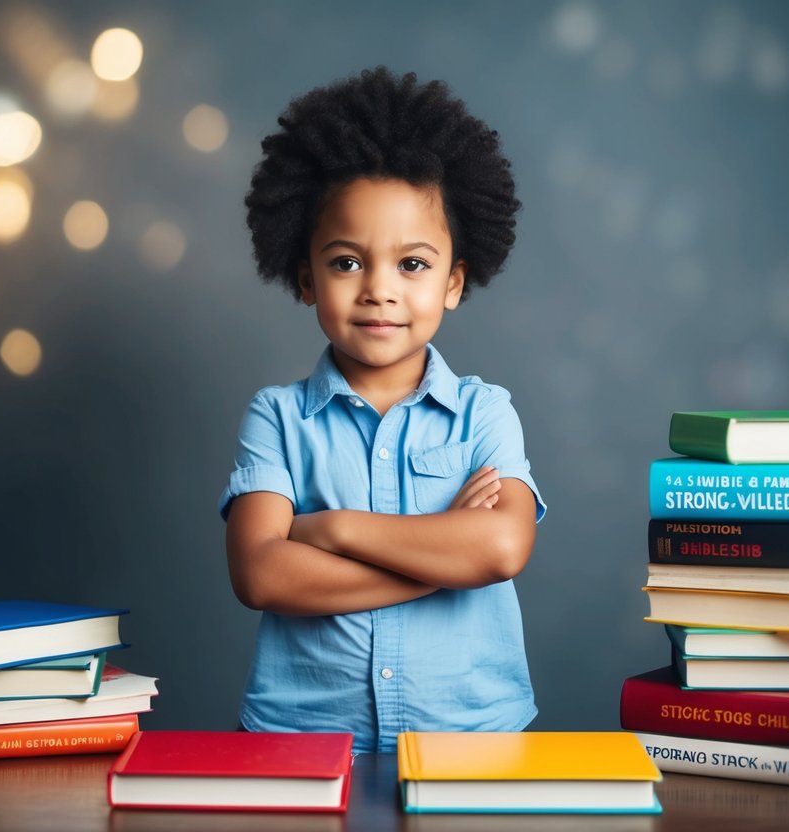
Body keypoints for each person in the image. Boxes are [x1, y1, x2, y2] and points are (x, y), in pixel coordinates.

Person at [219, 66, 546, 754]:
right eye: (345, 263)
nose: (377, 290)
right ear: (305, 278)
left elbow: (501, 546)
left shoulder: (484, 413)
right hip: (302, 742)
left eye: (412, 264)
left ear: (454, 282)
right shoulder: (276, 418)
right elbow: (260, 573)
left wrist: (332, 529)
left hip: (473, 740)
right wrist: (438, 561)